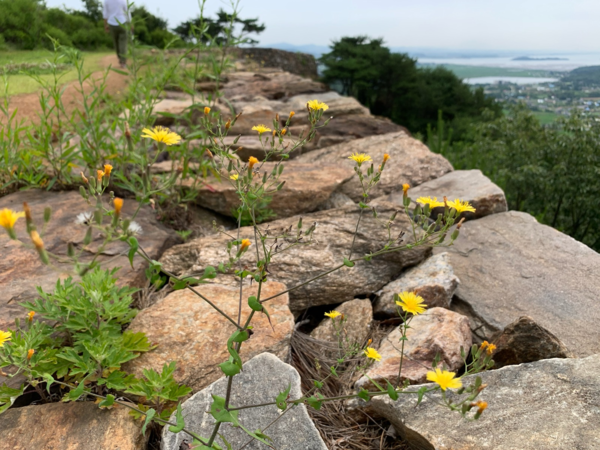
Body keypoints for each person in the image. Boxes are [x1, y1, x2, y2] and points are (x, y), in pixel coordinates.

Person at [103, 0, 132, 68]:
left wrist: (105, 25)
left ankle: (120, 58)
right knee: (123, 43)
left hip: (112, 23)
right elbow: (127, 12)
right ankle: (123, 62)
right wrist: (130, 24)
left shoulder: (106, 1)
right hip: (122, 22)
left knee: (116, 43)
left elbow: (105, 14)